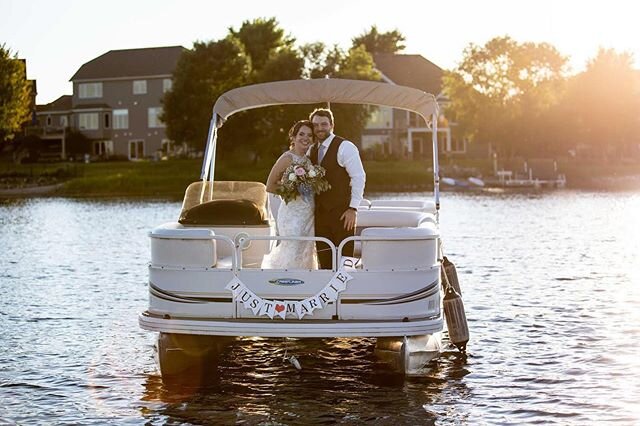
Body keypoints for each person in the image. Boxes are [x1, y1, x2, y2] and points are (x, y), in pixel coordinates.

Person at [309, 108, 366, 269]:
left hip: (343, 214)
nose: (320, 128)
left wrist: (353, 208)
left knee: (345, 261)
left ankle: (349, 293)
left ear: (332, 125)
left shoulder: (345, 147)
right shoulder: (312, 150)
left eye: (324, 124)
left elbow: (359, 177)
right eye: (316, 125)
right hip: (320, 216)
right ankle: (328, 293)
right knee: (325, 261)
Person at [262, 120, 318, 270]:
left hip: (308, 214)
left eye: (309, 135)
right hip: (292, 213)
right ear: (293, 137)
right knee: (293, 248)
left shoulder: (308, 160)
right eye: (301, 134)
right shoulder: (287, 158)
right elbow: (270, 185)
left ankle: (304, 283)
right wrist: (292, 191)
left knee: (306, 250)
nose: (305, 138)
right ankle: (284, 282)